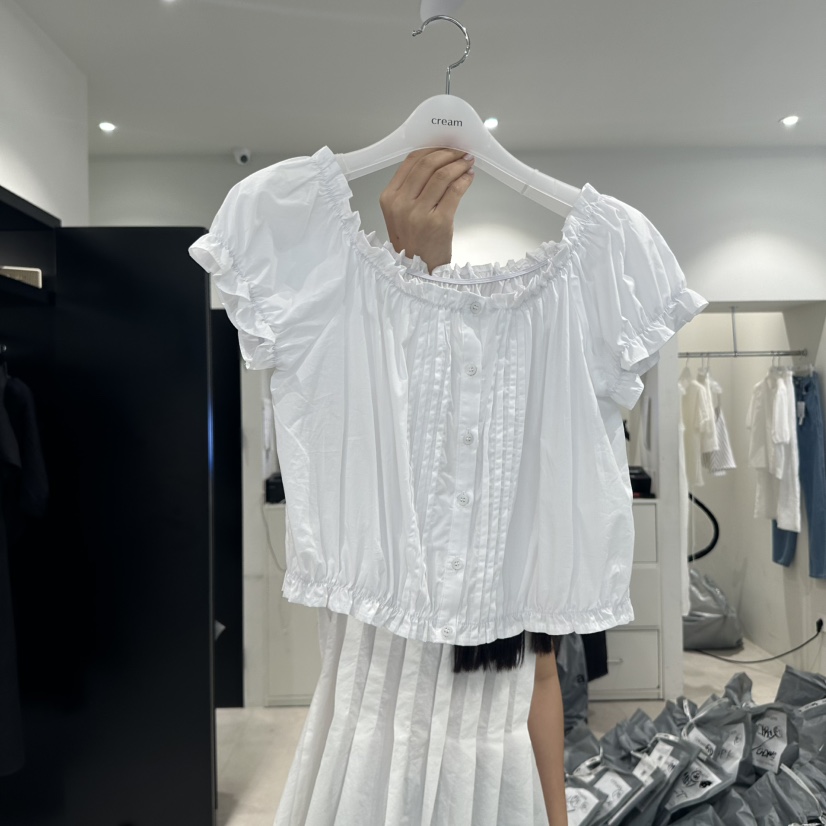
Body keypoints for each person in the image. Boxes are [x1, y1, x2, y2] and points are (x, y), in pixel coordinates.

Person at [378, 147, 569, 826]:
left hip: (499, 789)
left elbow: (541, 678)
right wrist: (416, 270)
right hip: (384, 779)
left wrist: (557, 817)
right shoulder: (387, 515)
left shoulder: (509, 522)